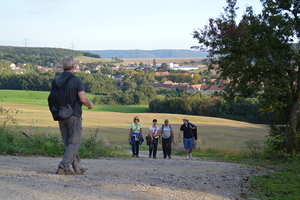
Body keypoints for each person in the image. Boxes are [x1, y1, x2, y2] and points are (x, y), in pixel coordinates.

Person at [54, 55, 94, 175]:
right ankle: (63, 167)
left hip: (60, 115)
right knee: (74, 142)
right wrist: (90, 104)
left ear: (62, 67)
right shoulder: (77, 81)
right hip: (74, 115)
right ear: (73, 66)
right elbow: (83, 99)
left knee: (69, 143)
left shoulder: (56, 81)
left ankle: (77, 167)